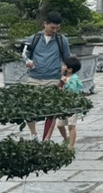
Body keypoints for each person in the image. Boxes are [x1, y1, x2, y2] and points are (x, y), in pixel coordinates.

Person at [23, 11, 71, 139]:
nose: (55, 30)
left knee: (51, 111)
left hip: (53, 79)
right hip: (34, 77)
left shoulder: (62, 40)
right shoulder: (33, 38)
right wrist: (28, 62)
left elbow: (67, 59)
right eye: (52, 27)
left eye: (57, 28)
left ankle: (47, 138)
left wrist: (66, 76)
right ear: (45, 24)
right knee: (28, 107)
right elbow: (24, 55)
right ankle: (33, 133)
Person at [44, 56, 83, 149]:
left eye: (64, 65)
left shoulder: (74, 78)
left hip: (73, 105)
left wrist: (67, 83)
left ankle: (71, 146)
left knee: (71, 125)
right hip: (64, 105)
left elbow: (74, 90)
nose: (62, 66)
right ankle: (66, 140)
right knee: (60, 125)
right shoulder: (63, 77)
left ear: (70, 69)